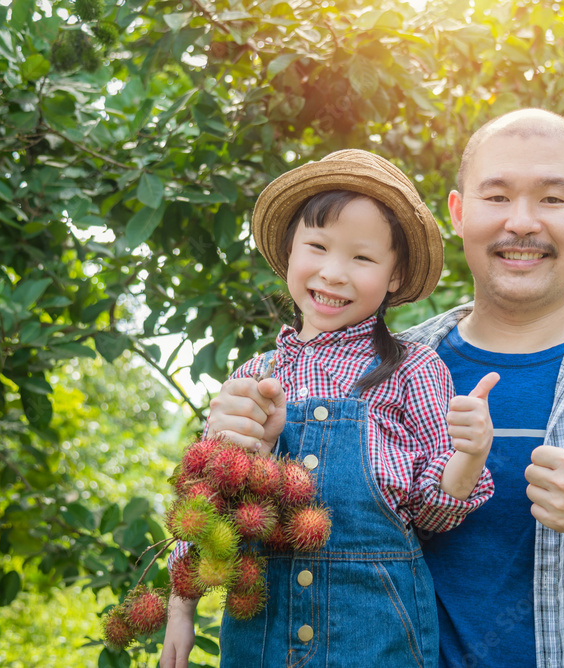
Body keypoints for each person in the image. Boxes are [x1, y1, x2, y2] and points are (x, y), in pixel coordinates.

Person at [198, 109, 564, 667]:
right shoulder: (359, 376)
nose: (521, 222)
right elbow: (244, 544)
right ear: (459, 213)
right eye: (496, 197)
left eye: (553, 199)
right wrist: (235, 443)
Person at [160, 149, 498, 668]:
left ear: (393, 275)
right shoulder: (254, 379)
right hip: (262, 634)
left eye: (362, 258)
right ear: (290, 255)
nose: (334, 273)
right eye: (316, 246)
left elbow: (433, 517)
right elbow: (208, 507)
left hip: (376, 632)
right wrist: (181, 609)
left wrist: (470, 457)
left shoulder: (413, 369)